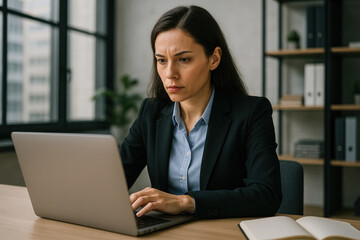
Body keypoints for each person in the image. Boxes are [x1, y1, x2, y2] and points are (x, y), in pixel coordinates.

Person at [120, 5, 282, 219]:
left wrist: (186, 202)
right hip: (164, 233)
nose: (170, 74)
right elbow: (114, 180)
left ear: (214, 58)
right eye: (161, 60)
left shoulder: (252, 113)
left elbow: (266, 196)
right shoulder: (151, 112)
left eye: (184, 59)